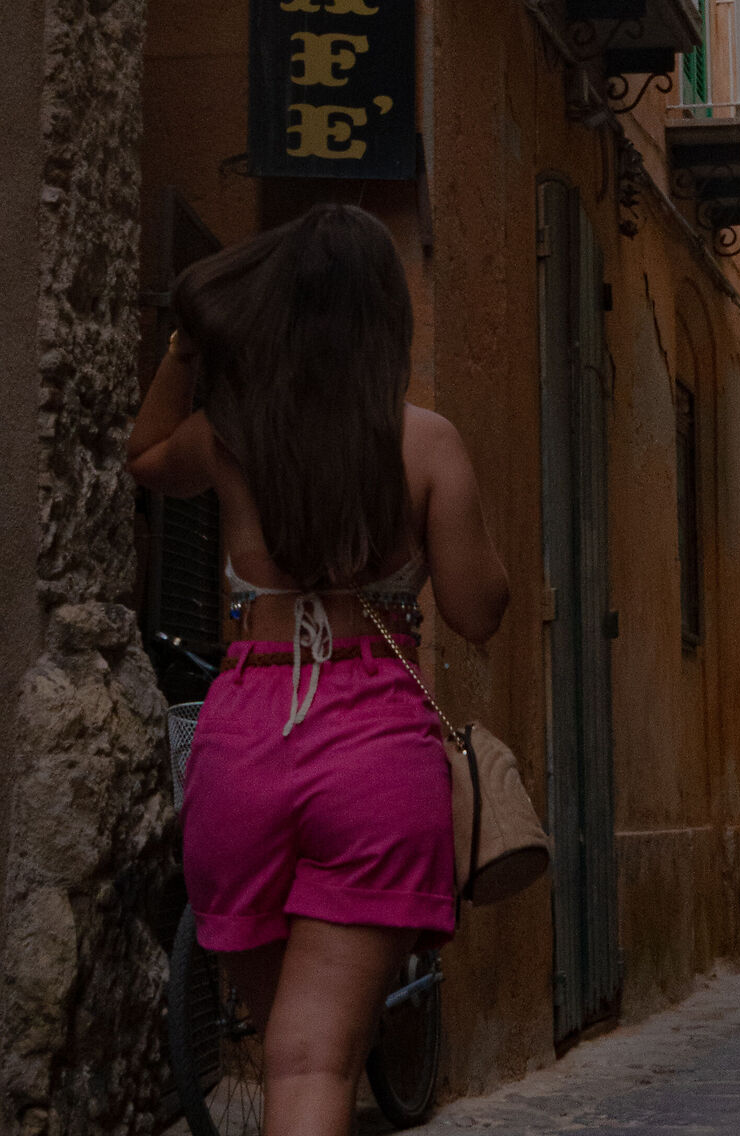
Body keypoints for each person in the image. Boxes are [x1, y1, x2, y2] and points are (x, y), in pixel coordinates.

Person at [130, 203, 509, 1136]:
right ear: (389, 316)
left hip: (246, 740)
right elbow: (476, 607)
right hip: (374, 746)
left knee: (282, 1048)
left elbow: (144, 458)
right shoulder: (424, 441)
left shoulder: (230, 436)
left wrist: (185, 346)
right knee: (316, 1063)